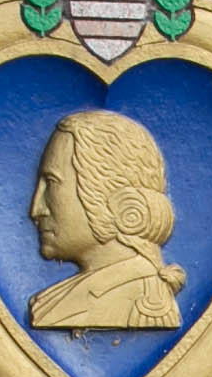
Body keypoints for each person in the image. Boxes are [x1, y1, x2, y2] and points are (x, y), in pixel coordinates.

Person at [25, 110, 188, 329]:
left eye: (51, 183)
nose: (36, 210)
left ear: (107, 196)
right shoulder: (61, 299)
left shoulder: (142, 302)